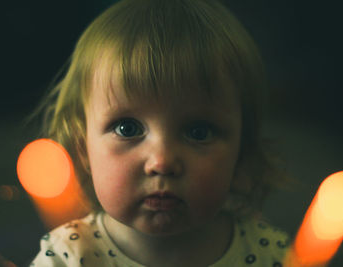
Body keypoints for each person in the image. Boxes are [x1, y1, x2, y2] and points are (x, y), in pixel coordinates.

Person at [30, 0, 290, 266]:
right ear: (82, 146)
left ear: (242, 154)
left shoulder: (272, 255)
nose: (162, 162)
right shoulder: (67, 257)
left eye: (198, 132)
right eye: (127, 128)